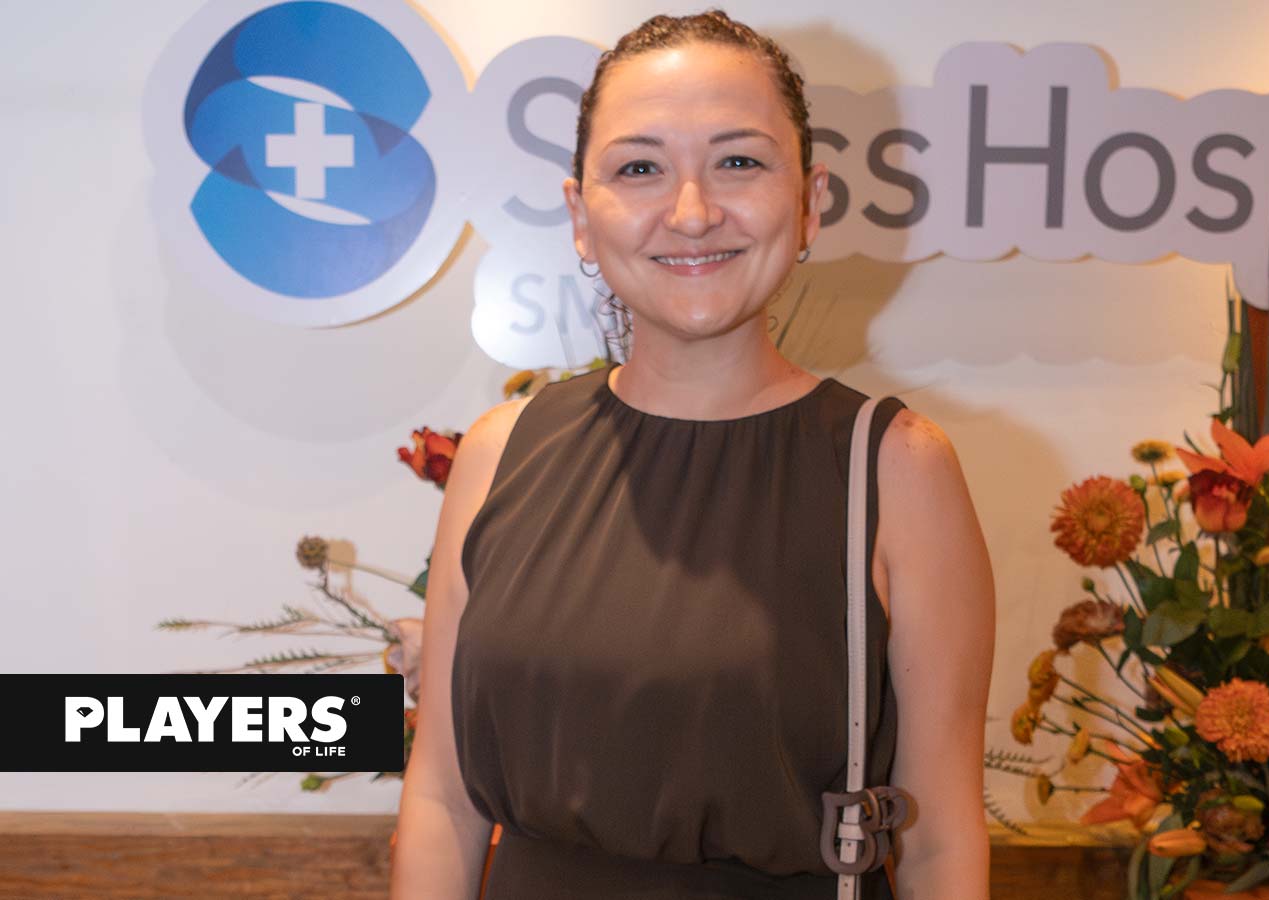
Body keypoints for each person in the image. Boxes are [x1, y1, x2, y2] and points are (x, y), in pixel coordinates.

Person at [392, 10, 995, 899]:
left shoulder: (895, 467)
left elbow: (939, 842)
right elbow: (444, 799)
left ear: (811, 202)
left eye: (738, 162)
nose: (692, 212)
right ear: (580, 216)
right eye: (639, 168)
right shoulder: (499, 452)